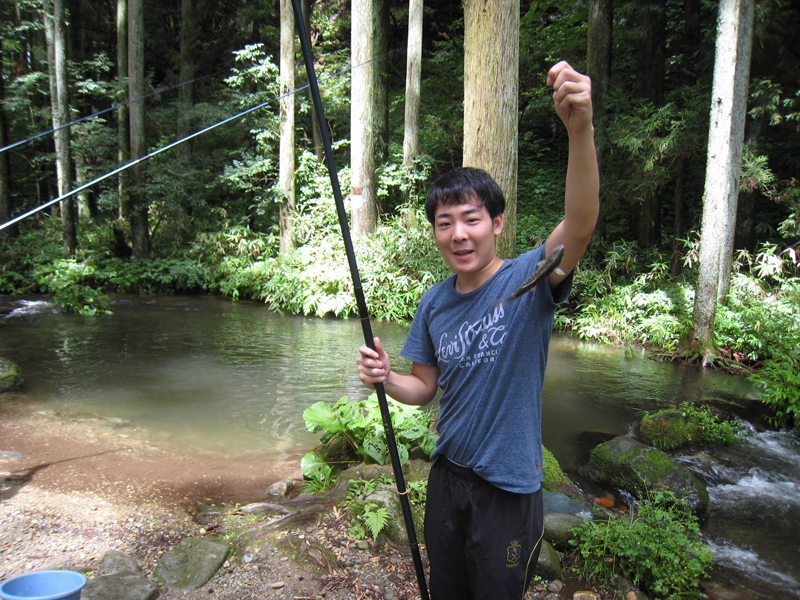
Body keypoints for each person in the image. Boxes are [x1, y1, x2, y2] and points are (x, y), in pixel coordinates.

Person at [356, 61, 599, 600]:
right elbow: (423, 388)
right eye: (445, 223)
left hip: (508, 490)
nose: (458, 234)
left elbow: (579, 224)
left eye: (471, 218)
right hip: (448, 478)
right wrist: (386, 378)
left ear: (496, 223)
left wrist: (579, 130)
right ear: (435, 232)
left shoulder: (528, 279)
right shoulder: (435, 303)